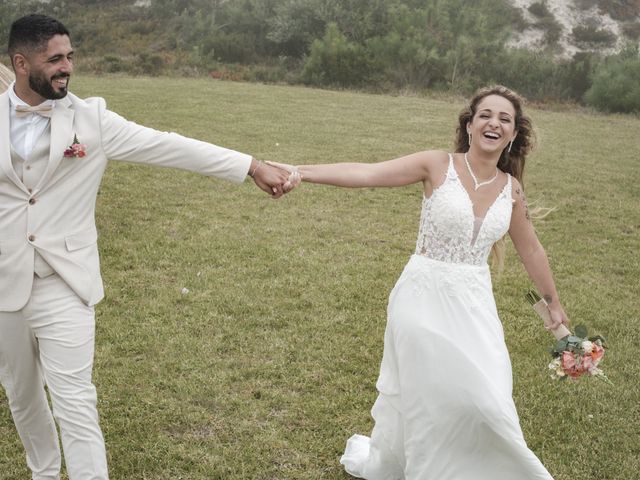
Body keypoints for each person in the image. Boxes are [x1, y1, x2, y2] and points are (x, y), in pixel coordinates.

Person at [0, 14, 290, 480]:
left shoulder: (91, 119)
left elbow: (169, 145)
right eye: (54, 59)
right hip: (4, 285)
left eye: (70, 56)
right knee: (23, 397)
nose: (67, 67)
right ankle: (44, 473)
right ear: (20, 62)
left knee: (75, 401)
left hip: (65, 282)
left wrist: (249, 165)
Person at [269, 85, 568, 479]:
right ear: (470, 124)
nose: (494, 123)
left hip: (474, 303)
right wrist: (300, 172)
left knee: (489, 401)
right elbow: (368, 173)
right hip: (421, 296)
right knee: (429, 399)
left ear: (513, 135)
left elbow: (532, 250)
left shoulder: (511, 190)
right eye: (485, 115)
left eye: (504, 119)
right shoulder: (436, 165)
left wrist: (553, 304)